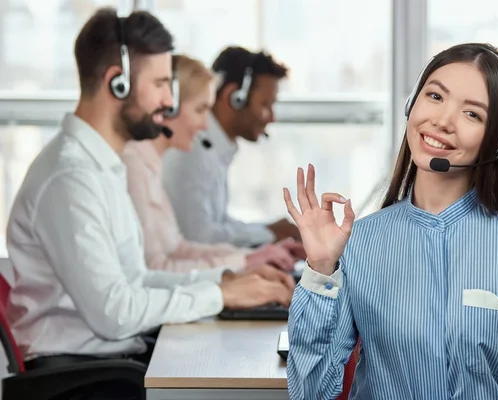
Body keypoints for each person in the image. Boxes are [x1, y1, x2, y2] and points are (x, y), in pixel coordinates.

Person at [6, 7, 294, 385]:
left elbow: (137, 280)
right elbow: (115, 313)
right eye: (160, 84)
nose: (167, 102)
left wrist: (225, 282)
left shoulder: (103, 167)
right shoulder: (70, 179)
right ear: (117, 83)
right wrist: (220, 296)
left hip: (110, 362)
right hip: (84, 377)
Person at [284, 43, 498, 399]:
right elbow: (311, 393)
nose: (442, 121)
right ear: (412, 104)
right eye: (435, 96)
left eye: (472, 115)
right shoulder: (360, 240)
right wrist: (321, 269)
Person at [121, 54, 305, 273]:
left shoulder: (160, 161)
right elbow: (192, 241)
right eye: (200, 110)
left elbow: (180, 247)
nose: (204, 124)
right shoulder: (185, 156)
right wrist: (248, 262)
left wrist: (257, 255)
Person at [162, 46, 301, 248]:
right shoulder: (192, 151)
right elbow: (198, 236)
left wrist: (269, 230)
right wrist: (268, 234)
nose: (271, 117)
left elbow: (219, 223)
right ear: (234, 98)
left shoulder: (214, 150)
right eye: (265, 105)